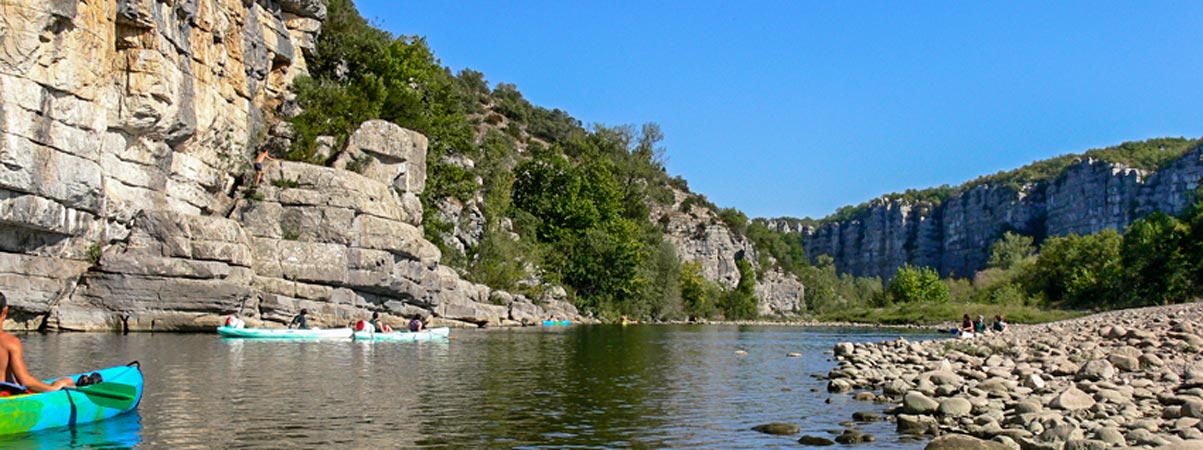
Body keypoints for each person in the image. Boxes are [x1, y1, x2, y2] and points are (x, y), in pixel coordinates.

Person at [0, 291, 75, 394]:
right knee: (68, 381)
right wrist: (54, 387)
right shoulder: (9, 342)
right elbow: (25, 381)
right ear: (5, 311)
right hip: (4, 398)